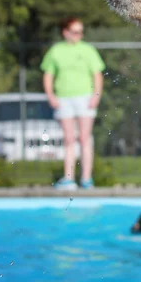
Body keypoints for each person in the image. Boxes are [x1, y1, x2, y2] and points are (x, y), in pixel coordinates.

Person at [41, 17, 105, 190]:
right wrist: (51, 96)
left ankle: (86, 178)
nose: (79, 35)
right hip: (64, 98)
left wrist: (96, 96)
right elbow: (48, 74)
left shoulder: (88, 50)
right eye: (75, 31)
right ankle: (68, 178)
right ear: (65, 32)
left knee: (84, 138)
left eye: (80, 31)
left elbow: (97, 75)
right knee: (69, 139)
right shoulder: (56, 51)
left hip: (85, 97)